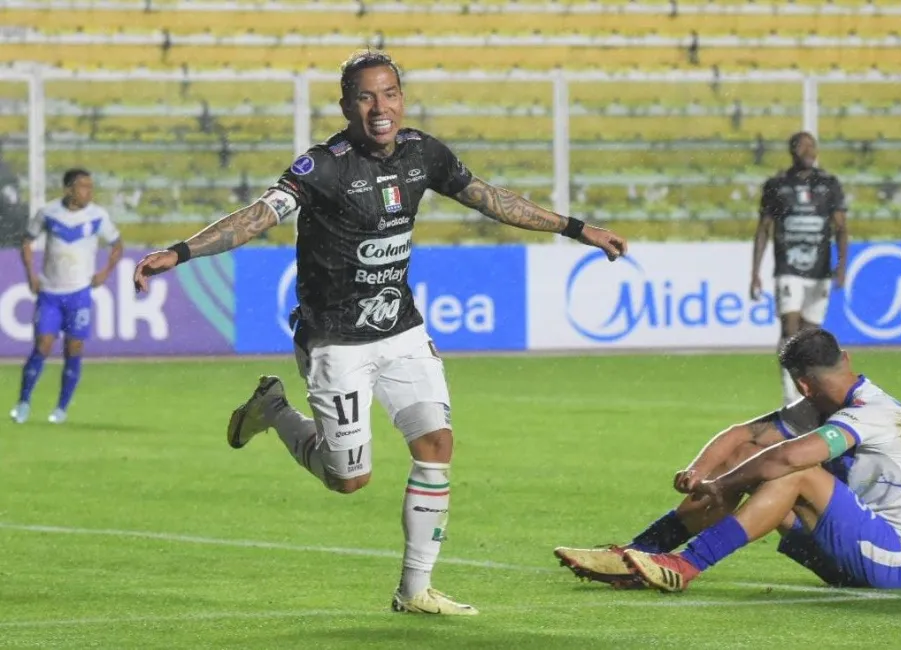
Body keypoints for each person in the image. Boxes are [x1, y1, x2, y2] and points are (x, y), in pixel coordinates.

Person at [132, 50, 628, 616]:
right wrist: (181, 252)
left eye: (388, 93)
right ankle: (272, 408)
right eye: (365, 97)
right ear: (346, 106)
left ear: (402, 98)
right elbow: (258, 215)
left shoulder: (423, 153)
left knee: (436, 445)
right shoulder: (322, 167)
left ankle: (415, 590)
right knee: (349, 480)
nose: (379, 107)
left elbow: (493, 199)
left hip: (401, 330)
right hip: (335, 339)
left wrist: (575, 228)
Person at [555, 328, 901, 592]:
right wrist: (699, 471)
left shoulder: (874, 412)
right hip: (850, 553)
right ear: (845, 358)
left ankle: (688, 566)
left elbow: (790, 456)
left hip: (897, 563)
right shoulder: (826, 404)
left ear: (802, 384)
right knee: (752, 459)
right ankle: (641, 552)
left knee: (795, 471)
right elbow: (744, 437)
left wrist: (721, 485)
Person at [10, 169, 123, 424]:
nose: (89, 192)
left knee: (74, 349)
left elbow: (117, 244)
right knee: (42, 347)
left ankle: (60, 409)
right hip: (50, 292)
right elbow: (27, 241)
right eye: (83, 186)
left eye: (91, 187)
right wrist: (30, 274)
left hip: (79, 293)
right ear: (69, 189)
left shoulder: (97, 215)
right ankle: (23, 402)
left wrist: (105, 272)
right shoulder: (48, 213)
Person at [749, 132, 848, 405]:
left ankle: (809, 393)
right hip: (788, 267)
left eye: (812, 146)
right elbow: (763, 229)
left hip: (819, 271)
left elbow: (841, 228)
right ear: (792, 150)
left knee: (811, 337)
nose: (809, 150)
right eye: (803, 145)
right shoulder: (777, 185)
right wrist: (755, 272)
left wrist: (841, 266)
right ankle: (790, 396)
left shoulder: (829, 184)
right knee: (790, 331)